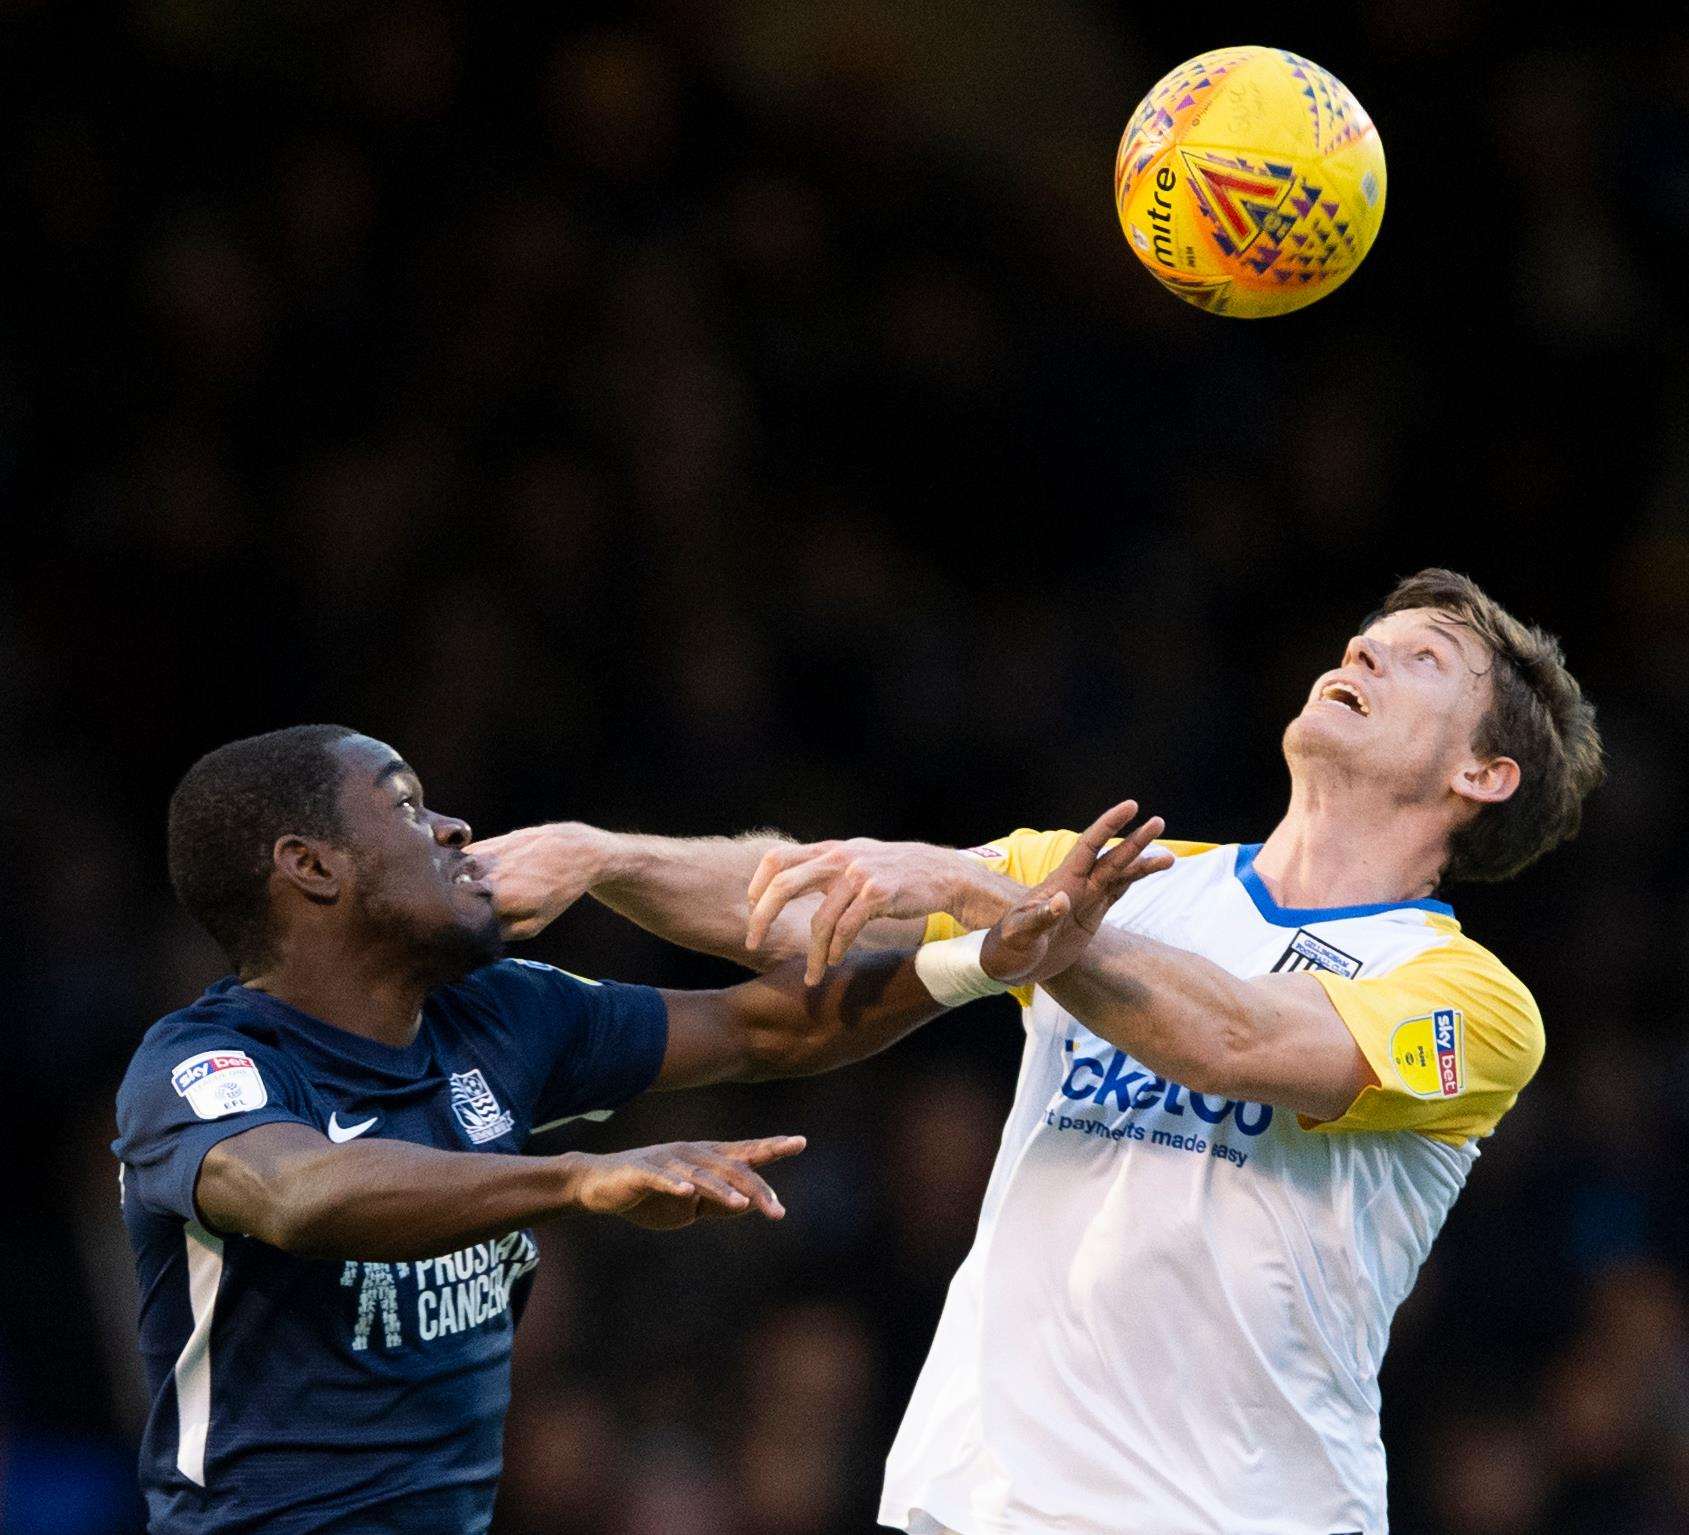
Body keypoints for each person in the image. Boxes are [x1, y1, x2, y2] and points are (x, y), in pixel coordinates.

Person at [471, 569, 1605, 1535]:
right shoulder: (1124, 877)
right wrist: (602, 852)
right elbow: (816, 898)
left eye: (1423, 658)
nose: (1363, 646)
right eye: (1373, 634)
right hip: (978, 1499)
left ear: (1483, 773)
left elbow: (1234, 1035)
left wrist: (988, 896)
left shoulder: (1471, 1002)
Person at [113, 724, 1165, 1535]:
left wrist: (992, 960)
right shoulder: (206, 1064)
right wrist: (575, 1178)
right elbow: (301, 1194)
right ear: (313, 866)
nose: (453, 830)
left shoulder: (502, 1012)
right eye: (406, 806)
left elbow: (764, 1026)